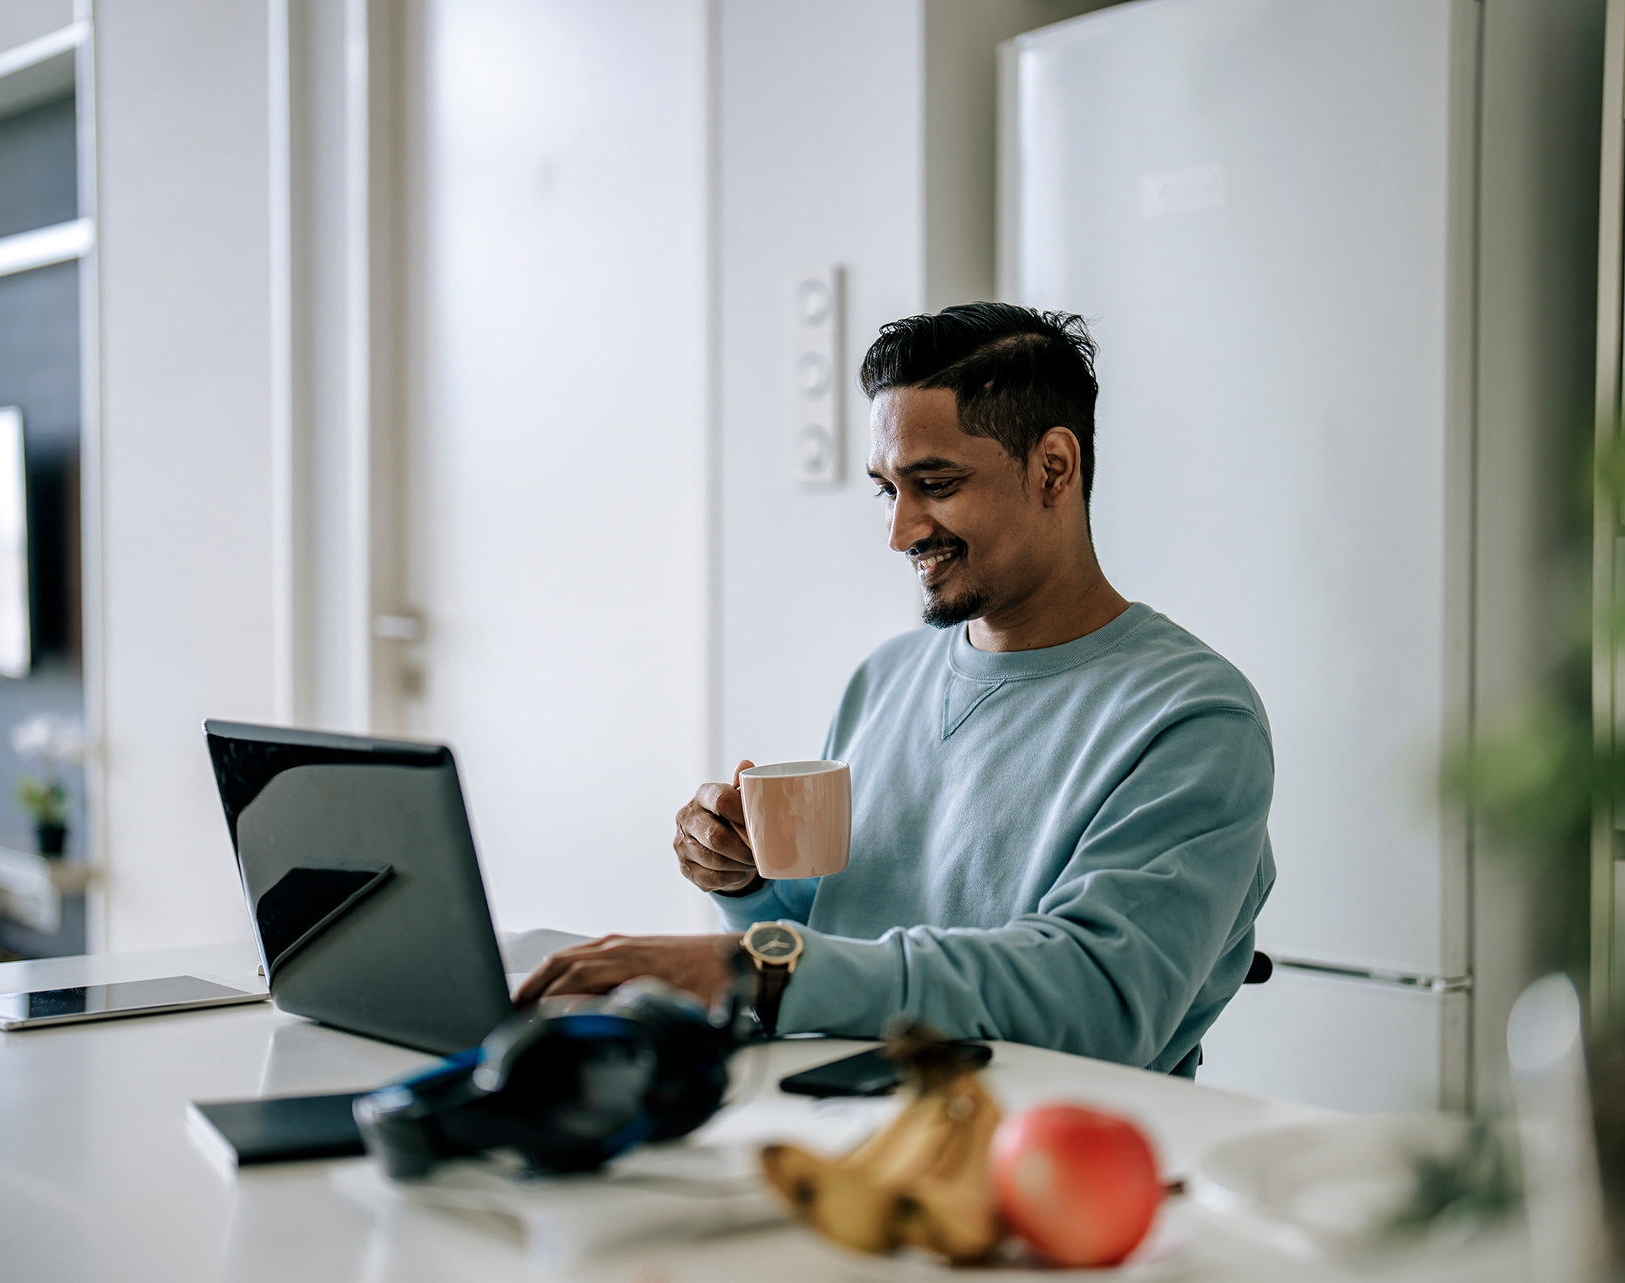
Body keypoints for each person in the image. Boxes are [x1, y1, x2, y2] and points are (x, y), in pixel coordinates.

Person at [518, 303, 1274, 1077]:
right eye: (887, 490)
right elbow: (836, 939)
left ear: (1053, 467)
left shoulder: (1195, 719)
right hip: (824, 1107)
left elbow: (1096, 1001)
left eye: (935, 483)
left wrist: (757, 966)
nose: (900, 531)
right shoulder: (884, 678)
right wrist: (748, 888)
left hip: (1026, 1133)